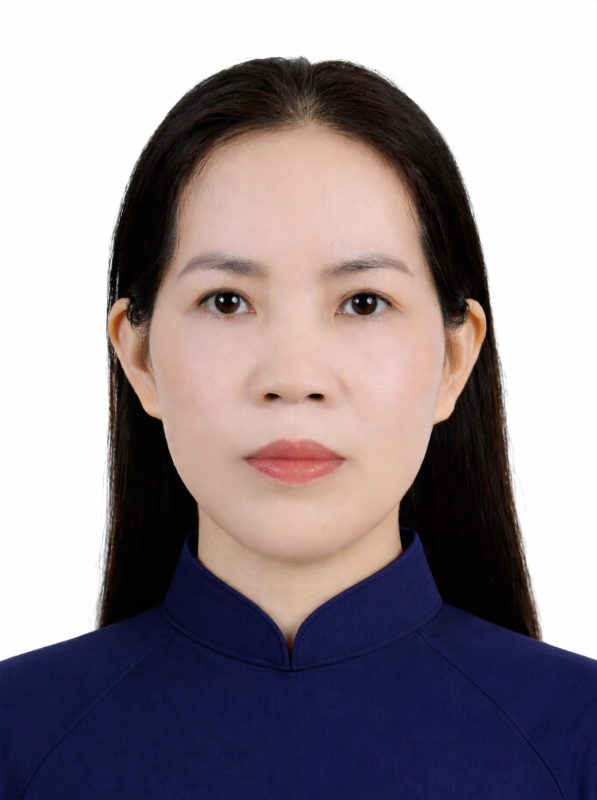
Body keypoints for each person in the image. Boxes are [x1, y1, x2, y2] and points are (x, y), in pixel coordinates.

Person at [1, 56, 595, 799]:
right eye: (226, 301)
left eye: (363, 302)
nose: (292, 376)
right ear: (139, 356)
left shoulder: (578, 739)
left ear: (454, 359)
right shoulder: (17, 739)